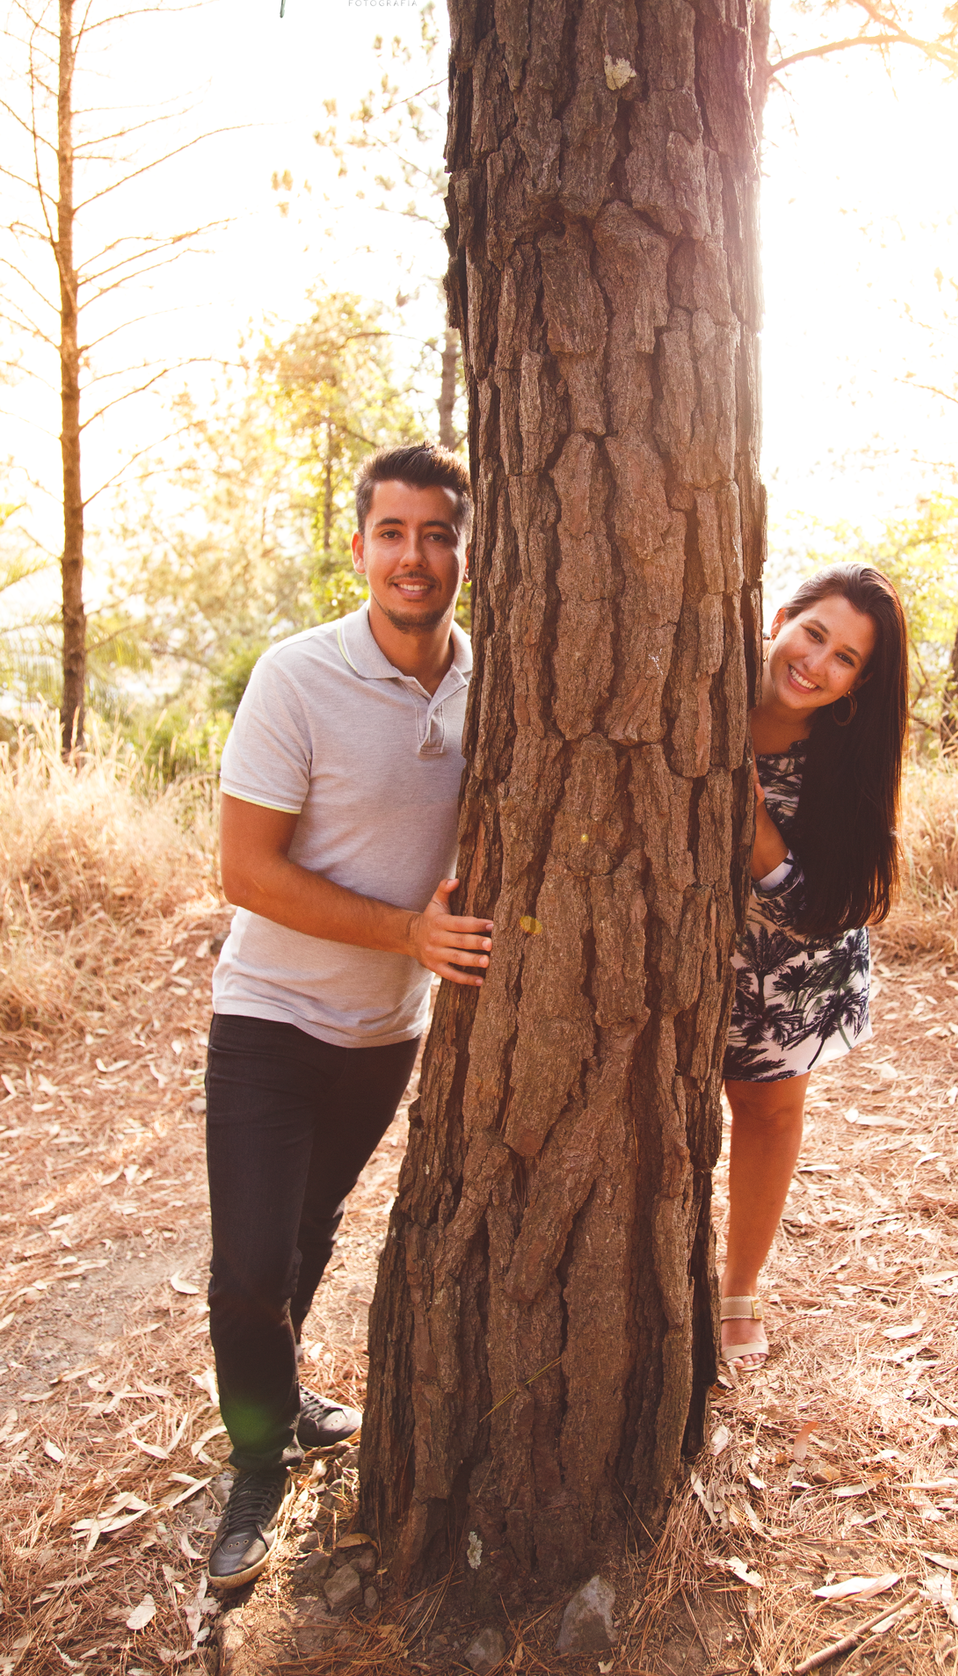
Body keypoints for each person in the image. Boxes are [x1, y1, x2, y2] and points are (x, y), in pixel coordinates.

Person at [203, 442, 493, 1590]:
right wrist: (408, 936)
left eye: (436, 534)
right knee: (246, 1272)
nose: (413, 556)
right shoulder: (295, 675)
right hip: (271, 1022)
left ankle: (274, 1399)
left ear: (464, 550)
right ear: (360, 543)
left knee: (309, 1237)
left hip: (387, 1035)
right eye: (392, 532)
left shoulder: (498, 679)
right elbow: (244, 871)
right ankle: (255, 1464)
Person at [720, 564, 908, 1370]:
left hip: (789, 968)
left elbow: (822, 909)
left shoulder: (843, 759)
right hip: (674, 963)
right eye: (815, 633)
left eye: (845, 660)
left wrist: (753, 818)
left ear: (857, 689)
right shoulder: (704, 688)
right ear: (781, 620)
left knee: (765, 1116)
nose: (816, 663)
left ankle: (737, 1292)